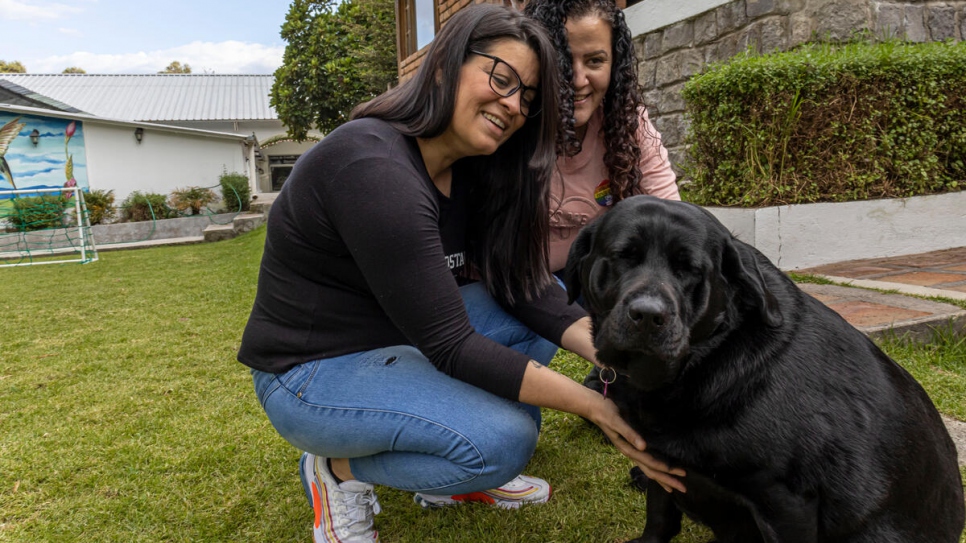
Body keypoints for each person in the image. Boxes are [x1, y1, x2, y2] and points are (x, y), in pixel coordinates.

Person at [237, 5, 684, 543]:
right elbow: (452, 344)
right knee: (501, 441)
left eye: (528, 96)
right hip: (310, 374)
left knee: (531, 316)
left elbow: (525, 285)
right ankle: (337, 472)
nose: (514, 104)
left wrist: (615, 357)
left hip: (397, 340)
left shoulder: (473, 167)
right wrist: (598, 405)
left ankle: (442, 469)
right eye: (502, 78)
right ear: (447, 64)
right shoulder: (371, 166)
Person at [524, 0, 681, 276]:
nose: (578, 80)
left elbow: (673, 218)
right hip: (517, 283)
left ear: (614, 64)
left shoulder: (628, 122)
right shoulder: (516, 120)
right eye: (562, 60)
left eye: (595, 61)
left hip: (592, 277)